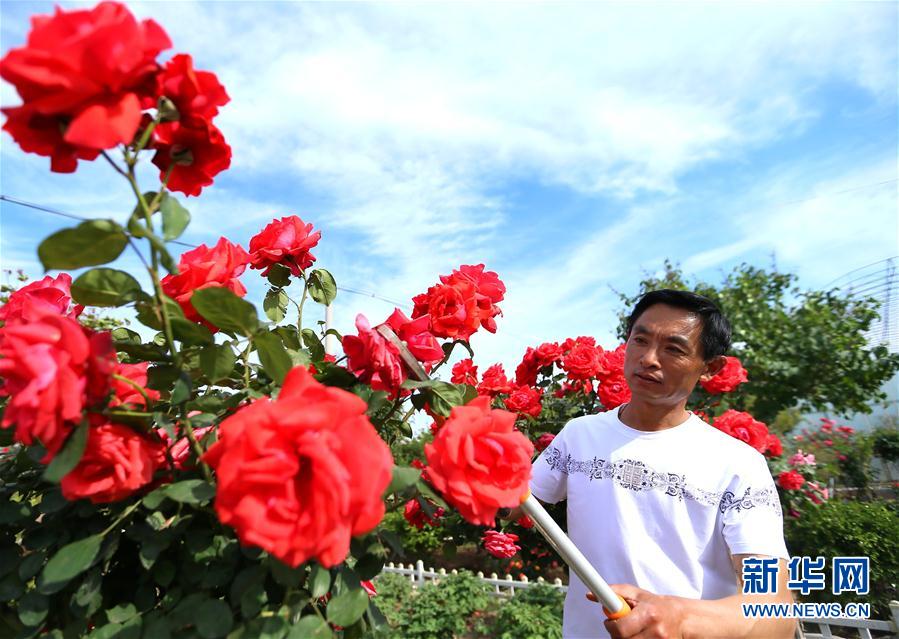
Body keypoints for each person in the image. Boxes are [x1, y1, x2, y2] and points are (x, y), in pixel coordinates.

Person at [507, 289, 795, 639]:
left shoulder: (738, 464)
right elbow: (515, 506)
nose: (649, 358)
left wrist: (680, 619)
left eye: (673, 349)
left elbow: (777, 615)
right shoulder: (579, 435)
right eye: (640, 340)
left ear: (711, 367)